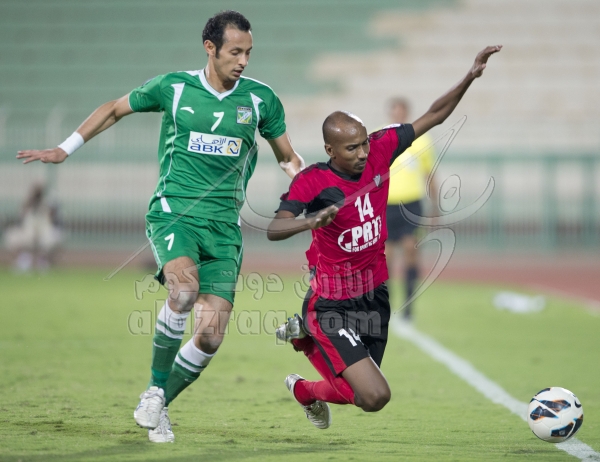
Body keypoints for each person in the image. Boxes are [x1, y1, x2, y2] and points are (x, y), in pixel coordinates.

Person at [17, 11, 304, 443]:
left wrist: (311, 188)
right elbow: (114, 109)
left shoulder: (261, 100)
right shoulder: (174, 87)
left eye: (248, 52)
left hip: (225, 227)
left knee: (211, 337)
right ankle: (154, 389)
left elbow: (288, 158)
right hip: (174, 213)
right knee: (183, 292)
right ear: (210, 48)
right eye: (235, 52)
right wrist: (65, 148)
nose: (243, 61)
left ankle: (160, 404)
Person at [267, 45, 501, 428]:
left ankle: (303, 382)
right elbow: (275, 228)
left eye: (363, 142)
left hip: (375, 294)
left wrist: (469, 77)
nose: (362, 152)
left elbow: (434, 116)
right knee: (376, 395)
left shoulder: (381, 147)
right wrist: (311, 222)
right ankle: (307, 334)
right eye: (351, 147)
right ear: (330, 150)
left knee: (363, 396)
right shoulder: (313, 182)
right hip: (332, 302)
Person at [386, 98, 438, 320]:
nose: (398, 115)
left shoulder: (421, 139)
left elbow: (430, 174)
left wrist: (435, 205)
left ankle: (408, 306)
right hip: (386, 205)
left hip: (412, 204)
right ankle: (385, 304)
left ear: (406, 113)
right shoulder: (380, 136)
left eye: (401, 111)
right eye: (395, 111)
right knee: (385, 256)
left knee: (410, 250)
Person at [4, 183, 63, 272]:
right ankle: (24, 259)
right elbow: (21, 219)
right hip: (29, 232)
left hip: (44, 232)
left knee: (52, 238)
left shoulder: (47, 203)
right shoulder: (28, 204)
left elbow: (53, 217)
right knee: (14, 236)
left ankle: (43, 261)